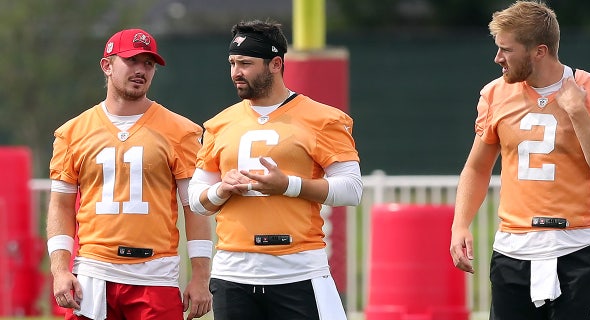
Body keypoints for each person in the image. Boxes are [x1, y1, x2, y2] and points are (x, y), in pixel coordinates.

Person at [449, 1, 590, 319]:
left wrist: (578, 112)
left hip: (577, 247)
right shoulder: (495, 95)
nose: (498, 58)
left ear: (539, 51)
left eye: (507, 49)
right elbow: (477, 167)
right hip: (513, 248)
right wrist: (460, 224)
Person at [187, 19, 363, 320]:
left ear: (276, 64)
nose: (235, 73)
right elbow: (196, 201)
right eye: (232, 63)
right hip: (233, 274)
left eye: (245, 63)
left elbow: (351, 189)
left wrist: (288, 186)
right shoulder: (219, 124)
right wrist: (221, 189)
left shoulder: (322, 119)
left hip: (298, 269)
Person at [46, 28, 213, 320]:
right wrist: (60, 270)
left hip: (155, 275)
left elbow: (194, 209)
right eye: (132, 60)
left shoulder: (182, 131)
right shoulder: (72, 132)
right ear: (107, 66)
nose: (141, 70)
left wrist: (201, 276)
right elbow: (60, 205)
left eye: (148, 64)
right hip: (93, 273)